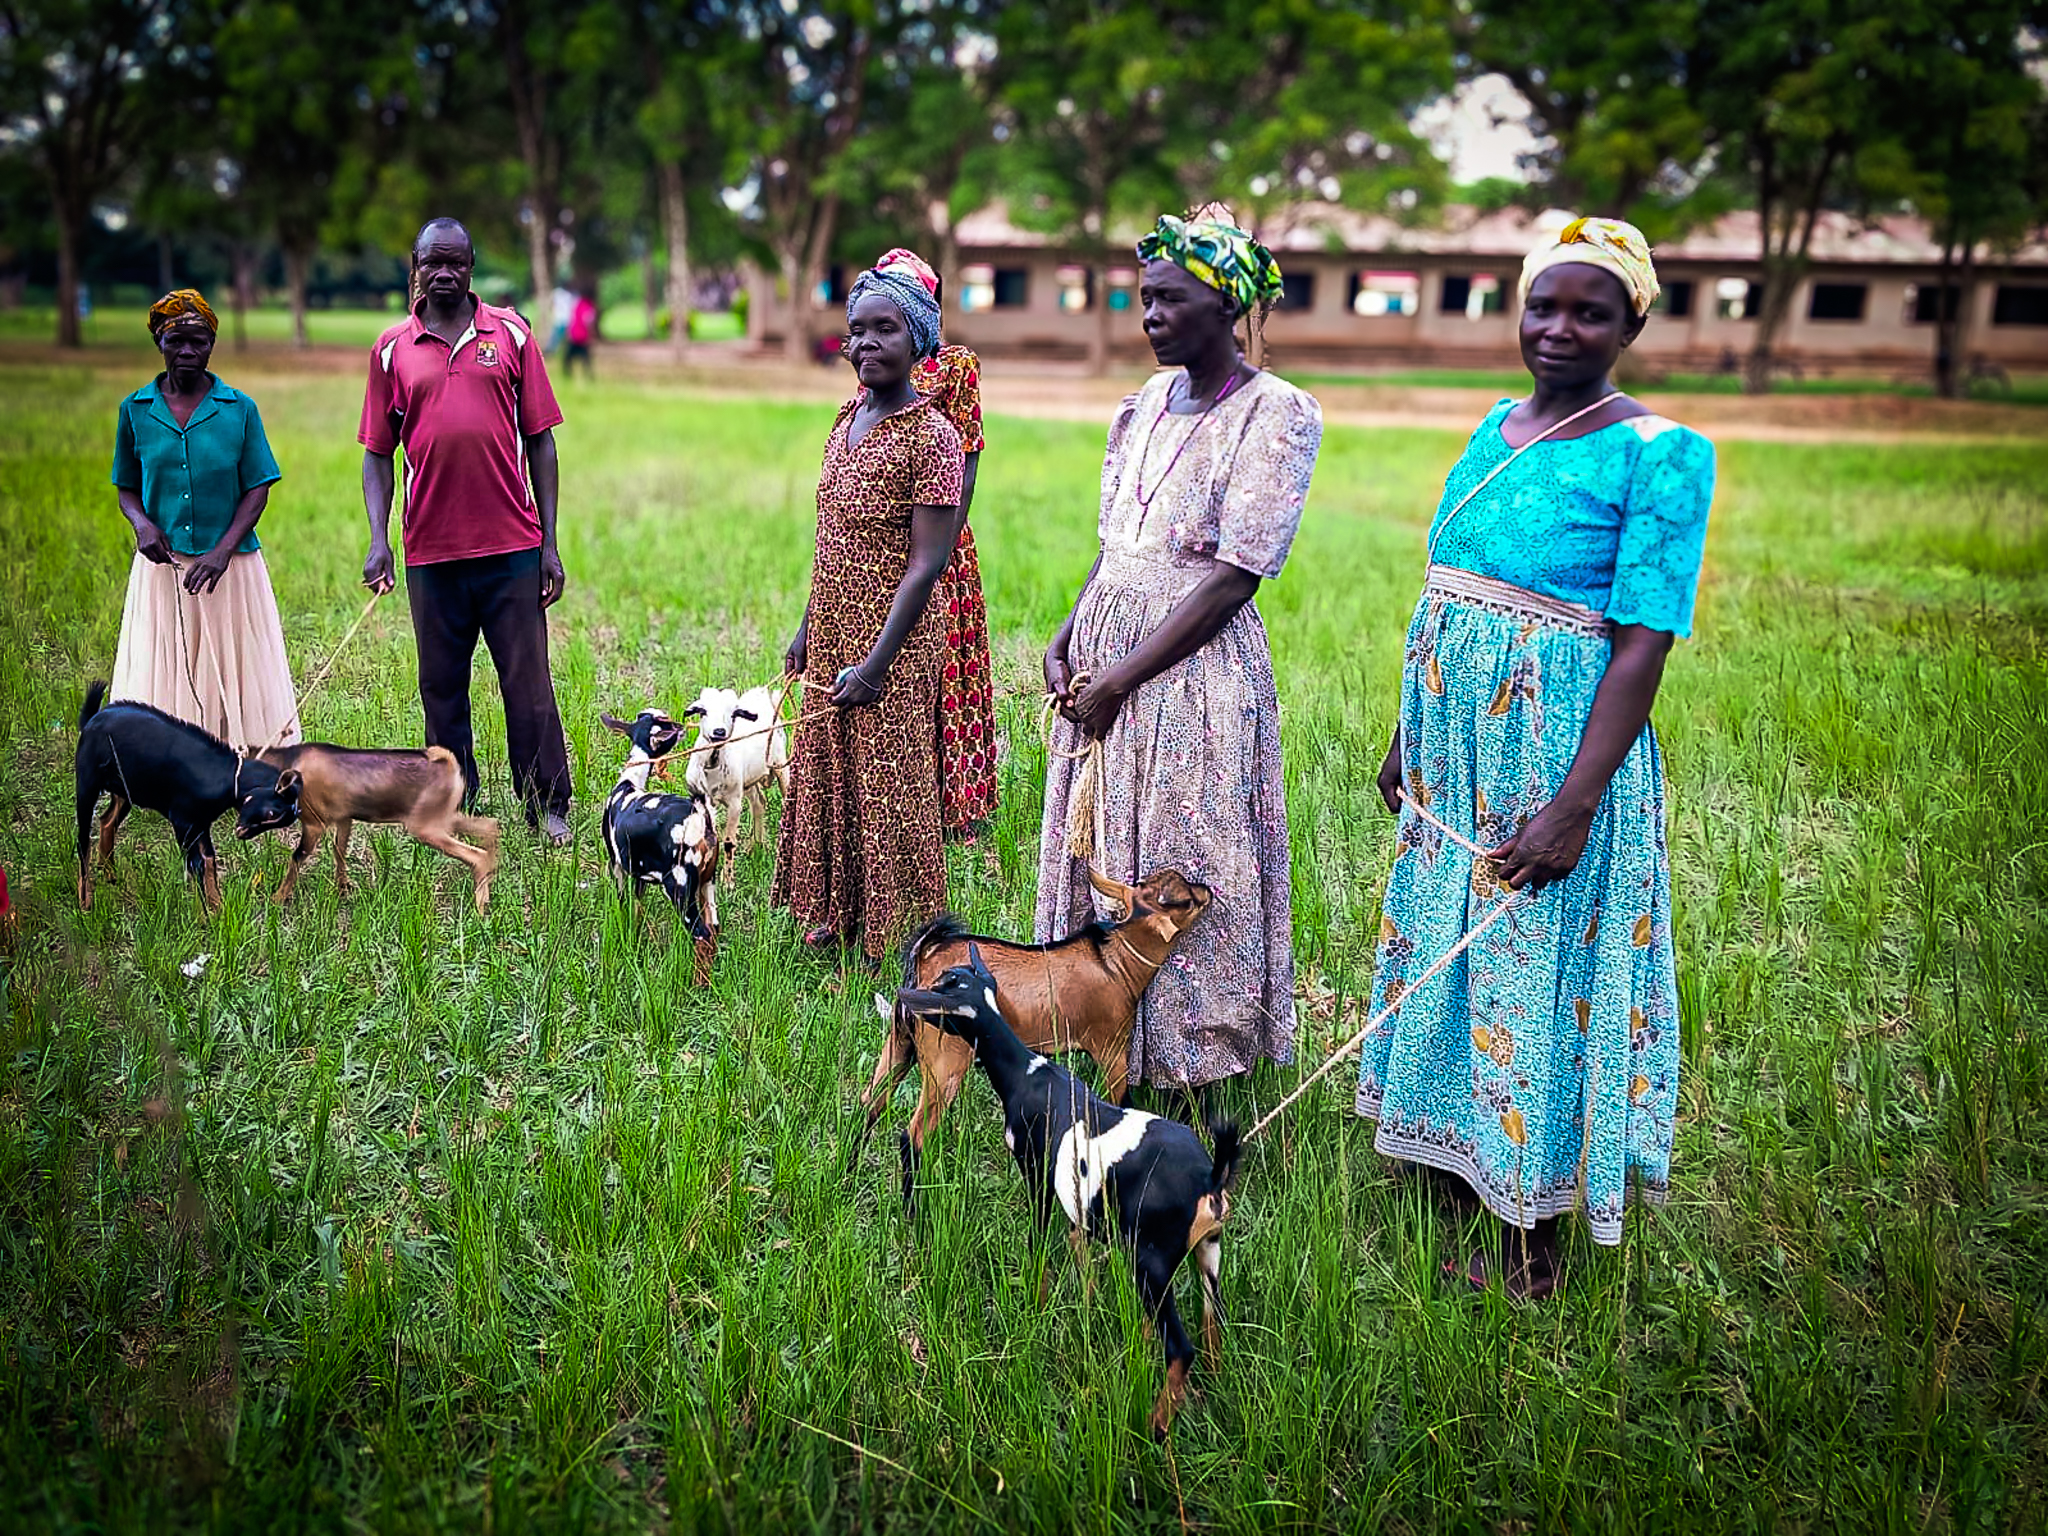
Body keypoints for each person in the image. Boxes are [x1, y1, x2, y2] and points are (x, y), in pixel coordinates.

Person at [1354, 217, 1717, 1299]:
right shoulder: (1491, 426)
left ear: (1631, 326)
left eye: (1588, 312)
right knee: (1450, 943)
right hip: (1455, 743)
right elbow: (1451, 590)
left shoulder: (1659, 454)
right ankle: (1449, 1158)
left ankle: (1529, 1228)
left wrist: (1571, 807)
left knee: (1533, 961)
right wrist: (1403, 736)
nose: (1558, 329)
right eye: (1542, 306)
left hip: (1552, 749)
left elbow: (1642, 640)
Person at [1038, 215, 1322, 1098]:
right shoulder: (1143, 405)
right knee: (1102, 849)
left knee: (1180, 849)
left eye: (1170, 298)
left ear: (1227, 304)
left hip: (1187, 672)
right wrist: (1071, 629)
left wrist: (1123, 676)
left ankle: (1190, 1066)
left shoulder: (1275, 415)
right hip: (1109, 660)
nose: (1150, 314)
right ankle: (1097, 1033)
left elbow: (1237, 577)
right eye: (1144, 297)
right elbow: (1115, 536)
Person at [359, 217, 574, 846]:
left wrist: (549, 542)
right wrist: (379, 538)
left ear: (472, 266)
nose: (445, 272)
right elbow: (377, 451)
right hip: (431, 551)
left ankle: (548, 804)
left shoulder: (509, 334)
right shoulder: (392, 348)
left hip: (511, 544)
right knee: (442, 688)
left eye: (456, 262)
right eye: (434, 262)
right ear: (418, 267)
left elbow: (541, 438)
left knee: (528, 683)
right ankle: (453, 801)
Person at [773, 262, 965, 959]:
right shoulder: (845, 418)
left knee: (889, 775)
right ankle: (837, 910)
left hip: (896, 637)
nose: (868, 344)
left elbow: (928, 565)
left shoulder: (932, 436)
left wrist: (878, 666)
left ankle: (903, 928)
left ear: (917, 337)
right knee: (831, 762)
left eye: (886, 329)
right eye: (857, 331)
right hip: (832, 624)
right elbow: (830, 538)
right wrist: (805, 629)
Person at [109, 288, 299, 748]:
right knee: (167, 661)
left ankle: (238, 757)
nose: (189, 351)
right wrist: (142, 524)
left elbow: (258, 486)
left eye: (200, 341)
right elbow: (126, 487)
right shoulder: (136, 410)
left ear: (212, 344)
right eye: (177, 341)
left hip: (230, 569)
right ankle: (168, 760)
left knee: (235, 663)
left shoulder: (239, 409)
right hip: (163, 569)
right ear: (160, 343)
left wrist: (221, 552)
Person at [870, 247, 996, 835]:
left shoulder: (954, 365)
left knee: (949, 669)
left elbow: (966, 458)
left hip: (938, 540)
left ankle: (958, 809)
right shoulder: (873, 357)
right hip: (878, 543)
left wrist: (941, 551)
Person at [563, 285, 597, 379]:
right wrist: (592, 335)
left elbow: (572, 319)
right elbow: (589, 322)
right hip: (582, 336)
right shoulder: (588, 306)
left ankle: (568, 375)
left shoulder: (578, 304)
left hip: (575, 335)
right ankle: (588, 376)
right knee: (585, 359)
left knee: (568, 358)